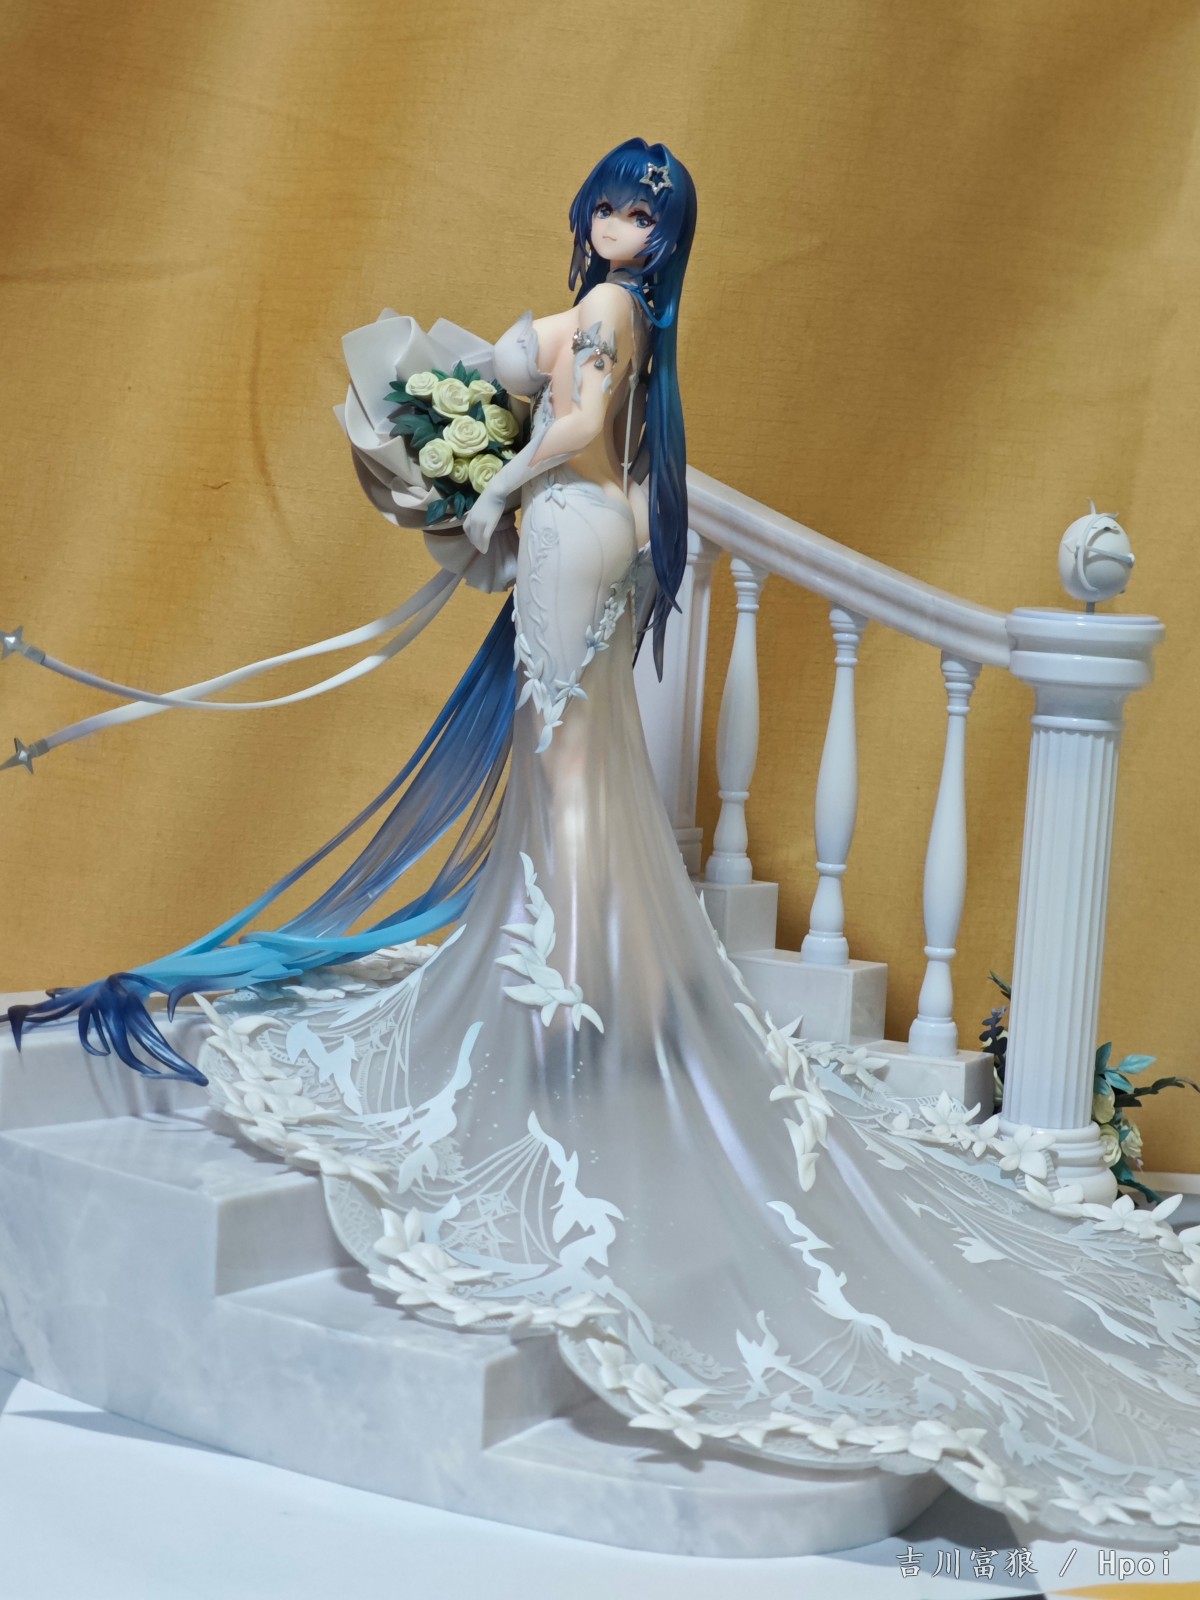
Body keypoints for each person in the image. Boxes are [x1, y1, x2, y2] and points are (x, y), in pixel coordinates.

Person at [6, 138, 1200, 1545]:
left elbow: (577, 423)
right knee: (566, 758)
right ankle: (579, 991)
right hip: (585, 530)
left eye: (646, 213)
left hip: (574, 526)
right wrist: (453, 423)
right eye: (612, 205)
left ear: (665, 238)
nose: (622, 225)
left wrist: (498, 483)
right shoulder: (605, 309)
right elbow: (526, 385)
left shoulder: (614, 312)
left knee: (570, 759)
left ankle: (572, 1000)